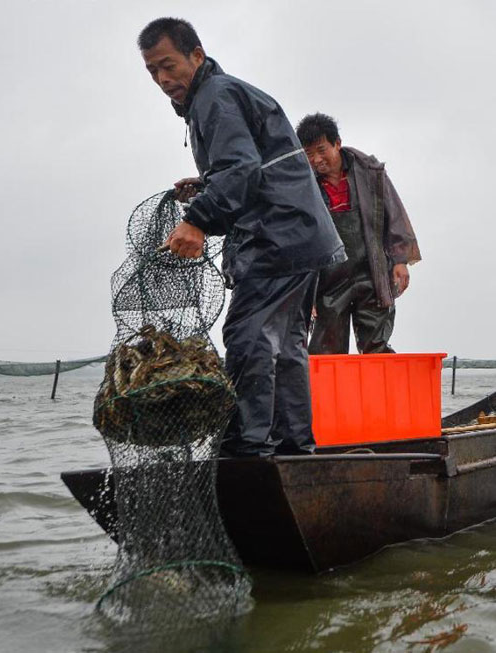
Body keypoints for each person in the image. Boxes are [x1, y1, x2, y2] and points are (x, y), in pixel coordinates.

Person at [137, 18, 345, 457]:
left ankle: (246, 448)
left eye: (169, 65)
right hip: (300, 236)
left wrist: (197, 219)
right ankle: (293, 447)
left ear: (197, 55)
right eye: (153, 71)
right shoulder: (217, 97)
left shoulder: (216, 96)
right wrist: (206, 183)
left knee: (248, 333)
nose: (163, 79)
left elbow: (242, 170)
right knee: (287, 346)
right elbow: (255, 164)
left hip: (277, 237)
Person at [296, 113, 421, 354]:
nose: (316, 159)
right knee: (325, 349)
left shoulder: (370, 171)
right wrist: (305, 292)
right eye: (309, 154)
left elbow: (393, 214)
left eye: (321, 150)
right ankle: (327, 392)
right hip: (328, 281)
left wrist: (400, 261)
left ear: (337, 143)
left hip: (371, 271)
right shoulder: (303, 184)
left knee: (377, 345)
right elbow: (299, 239)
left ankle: (381, 391)